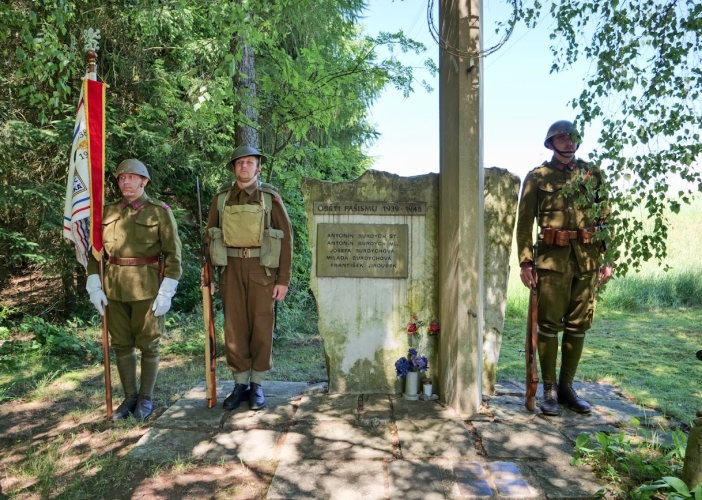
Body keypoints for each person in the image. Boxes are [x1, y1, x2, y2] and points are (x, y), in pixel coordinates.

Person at [515, 120, 612, 417]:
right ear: (551, 143)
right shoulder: (537, 177)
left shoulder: (592, 174)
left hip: (586, 259)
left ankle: (567, 387)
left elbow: (606, 219)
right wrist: (525, 262)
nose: (568, 142)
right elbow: (524, 224)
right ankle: (549, 389)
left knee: (578, 324)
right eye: (562, 138)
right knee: (548, 325)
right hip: (551, 261)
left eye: (572, 138)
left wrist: (607, 259)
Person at [86, 159, 182, 421]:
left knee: (149, 345)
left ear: (144, 181)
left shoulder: (159, 212)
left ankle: (146, 398)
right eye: (121, 178)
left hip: (147, 287)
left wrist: (167, 290)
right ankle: (130, 397)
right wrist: (93, 282)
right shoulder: (107, 212)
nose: (125, 182)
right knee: (120, 344)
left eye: (132, 177)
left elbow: (173, 254)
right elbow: (96, 253)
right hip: (114, 288)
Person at [205, 145, 293, 411]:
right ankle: (240, 382)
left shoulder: (270, 198)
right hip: (230, 269)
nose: (244, 166)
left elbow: (286, 238)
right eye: (239, 162)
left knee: (262, 327)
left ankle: (257, 384)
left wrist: (283, 279)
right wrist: (208, 275)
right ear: (234, 167)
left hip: (262, 271)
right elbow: (208, 237)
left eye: (249, 162)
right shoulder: (221, 198)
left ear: (258, 167)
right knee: (234, 328)